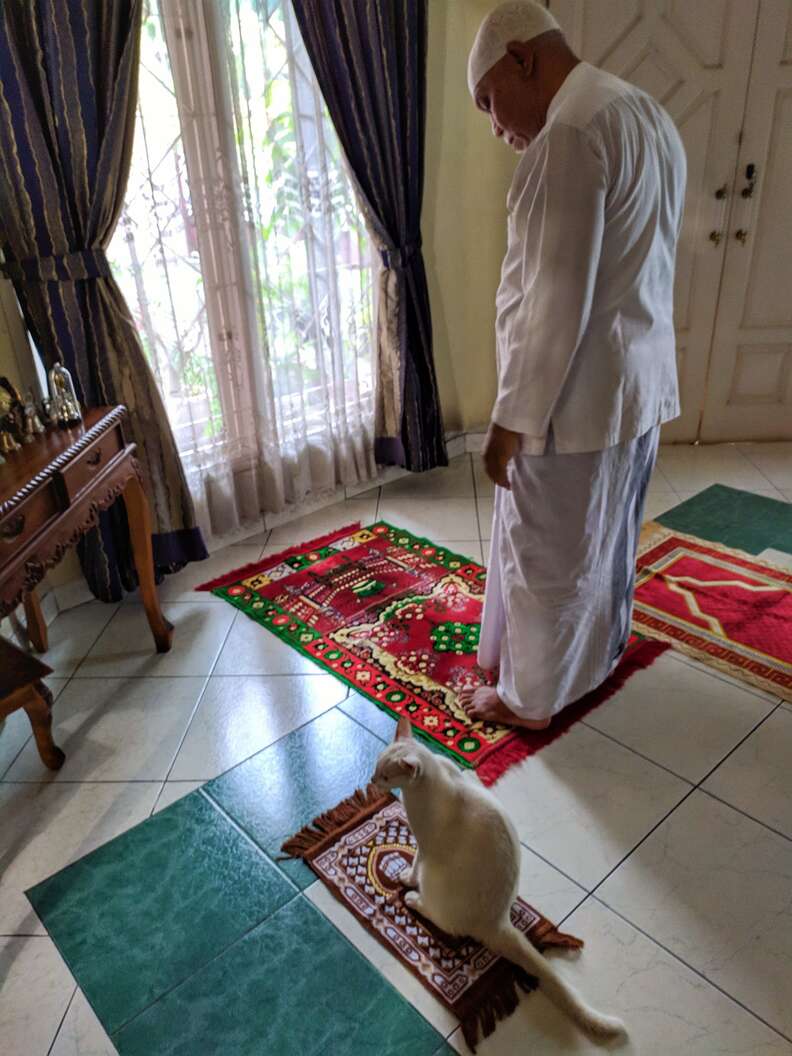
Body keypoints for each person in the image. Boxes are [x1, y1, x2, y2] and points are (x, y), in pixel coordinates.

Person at [459, 0, 686, 729]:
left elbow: (554, 300)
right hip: (635, 388)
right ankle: (591, 664)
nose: (497, 129)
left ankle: (528, 700)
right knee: (606, 541)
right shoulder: (645, 114)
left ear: (522, 58)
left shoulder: (570, 133)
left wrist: (509, 422)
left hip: (574, 400)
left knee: (548, 554)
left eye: (491, 103)